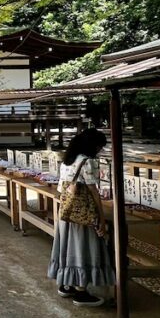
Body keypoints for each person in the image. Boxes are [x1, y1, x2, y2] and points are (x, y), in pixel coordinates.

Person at [48, 128, 115, 307]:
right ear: (92, 145)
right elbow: (94, 191)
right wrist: (100, 217)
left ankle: (67, 284)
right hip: (82, 215)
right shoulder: (87, 161)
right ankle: (81, 291)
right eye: (100, 146)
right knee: (83, 248)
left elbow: (61, 189)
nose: (100, 150)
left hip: (67, 212)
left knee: (68, 247)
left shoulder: (67, 161)